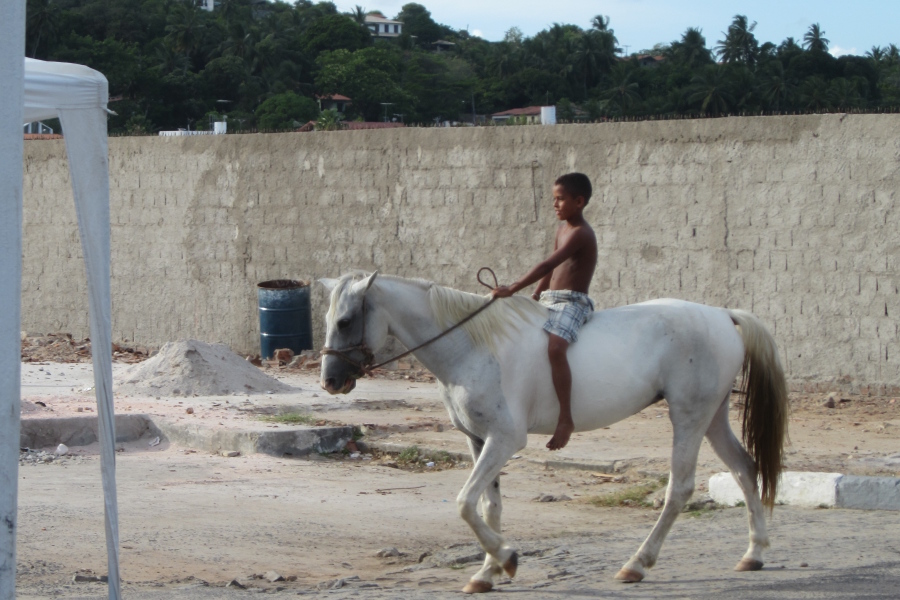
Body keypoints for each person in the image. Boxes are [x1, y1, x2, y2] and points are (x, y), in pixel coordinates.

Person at [491, 172, 597, 450]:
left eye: (560, 200)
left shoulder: (581, 233)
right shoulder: (562, 229)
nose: (555, 205)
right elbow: (549, 273)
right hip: (550, 298)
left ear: (579, 201)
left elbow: (547, 264)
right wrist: (535, 295)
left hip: (573, 302)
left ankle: (565, 418)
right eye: (554, 199)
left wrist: (513, 288)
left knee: (555, 348)